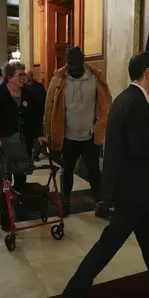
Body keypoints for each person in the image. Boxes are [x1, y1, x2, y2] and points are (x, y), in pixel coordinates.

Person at [61, 52, 149, 298]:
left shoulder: (128, 98)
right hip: (131, 190)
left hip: (134, 184)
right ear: (147, 73)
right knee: (109, 243)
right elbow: (138, 146)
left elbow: (128, 146)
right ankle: (74, 290)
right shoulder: (135, 102)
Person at [45, 47, 112, 218]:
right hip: (67, 137)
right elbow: (49, 110)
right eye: (69, 65)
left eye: (75, 65)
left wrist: (103, 126)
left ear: (83, 62)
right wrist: (50, 137)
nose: (72, 69)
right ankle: (65, 203)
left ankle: (101, 204)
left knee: (94, 171)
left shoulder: (96, 79)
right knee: (66, 171)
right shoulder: (58, 80)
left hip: (90, 135)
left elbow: (105, 104)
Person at [0, 61, 46, 231]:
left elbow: (35, 118)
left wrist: (39, 134)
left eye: (24, 74)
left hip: (23, 142)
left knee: (21, 177)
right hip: (4, 143)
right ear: (9, 77)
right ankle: (4, 215)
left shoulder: (27, 94)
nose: (24, 78)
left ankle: (19, 207)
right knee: (4, 180)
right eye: (20, 75)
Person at [25, 69, 46, 161]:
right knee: (29, 134)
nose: (25, 77)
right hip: (27, 115)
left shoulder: (39, 87)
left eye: (26, 75)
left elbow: (45, 100)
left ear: (31, 76)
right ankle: (28, 153)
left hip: (38, 114)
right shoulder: (23, 88)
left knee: (38, 133)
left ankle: (36, 153)